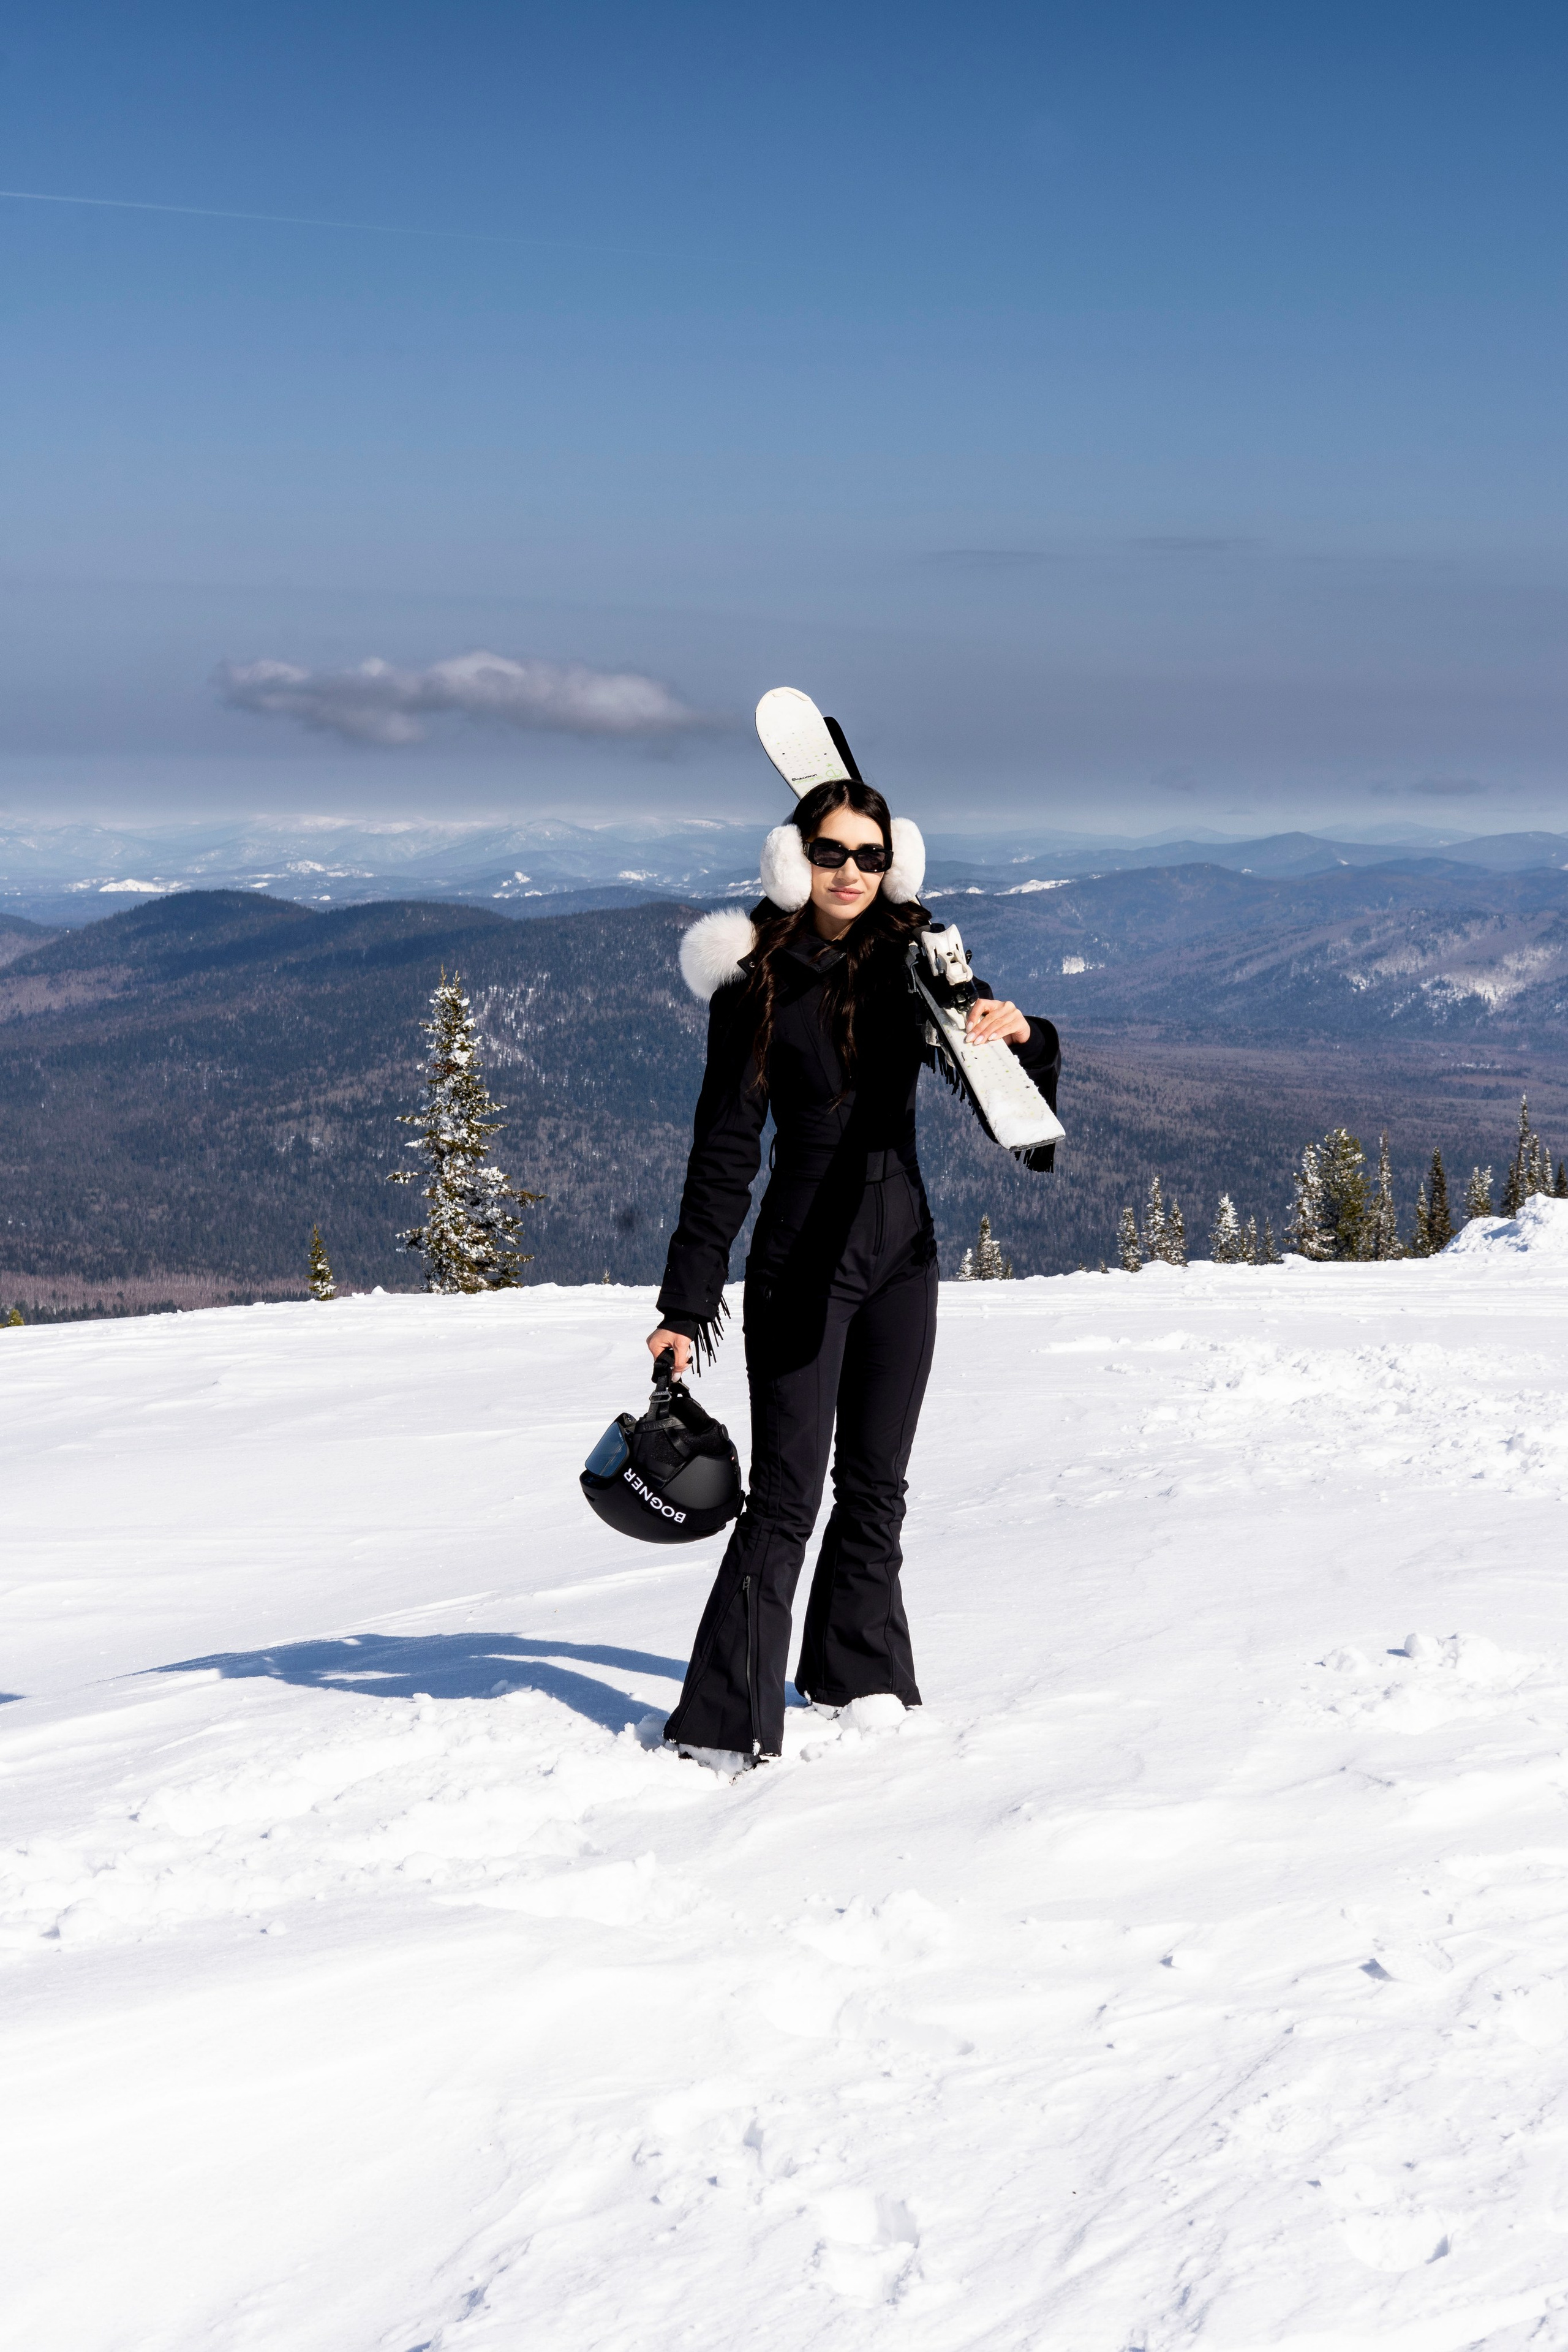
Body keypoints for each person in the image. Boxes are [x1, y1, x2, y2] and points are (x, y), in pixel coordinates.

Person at [647, 777, 1060, 1762]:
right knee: (788, 1498)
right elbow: (725, 1150)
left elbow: (1017, 1116)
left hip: (903, 1255)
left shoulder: (915, 962)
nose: (850, 873)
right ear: (795, 860)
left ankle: (856, 1675)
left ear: (894, 864)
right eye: (831, 853)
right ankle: (721, 1723)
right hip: (802, 1259)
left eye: (870, 857)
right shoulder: (757, 979)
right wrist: (685, 1303)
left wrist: (1024, 1034)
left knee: (877, 1486)